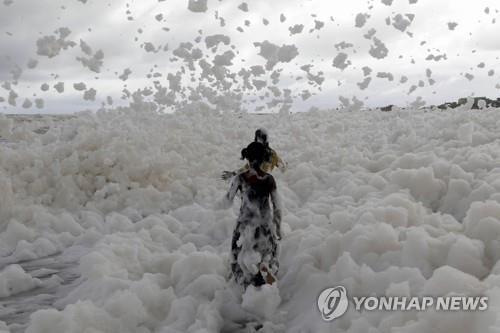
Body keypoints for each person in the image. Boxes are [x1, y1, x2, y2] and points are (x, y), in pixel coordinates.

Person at [217, 141, 282, 288]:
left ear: (247, 158)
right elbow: (277, 207)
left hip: (244, 225)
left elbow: (227, 201)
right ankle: (265, 270)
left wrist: (214, 206)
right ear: (264, 159)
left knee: (237, 255)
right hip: (264, 225)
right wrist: (277, 227)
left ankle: (241, 280)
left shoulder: (240, 178)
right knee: (269, 254)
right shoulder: (269, 180)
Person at [221, 128, 286, 181]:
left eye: (257, 138)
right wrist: (234, 173)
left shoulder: (268, 153)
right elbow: (283, 167)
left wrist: (234, 174)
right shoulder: (271, 153)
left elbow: (248, 167)